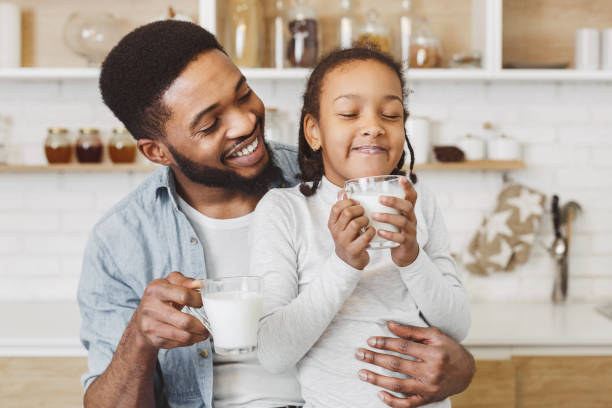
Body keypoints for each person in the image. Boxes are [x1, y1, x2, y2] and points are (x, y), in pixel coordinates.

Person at [77, 20, 475, 408]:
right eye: (211, 123)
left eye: (243, 93)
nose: (246, 122)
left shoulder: (331, 170)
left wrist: (460, 368)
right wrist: (139, 341)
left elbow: (444, 320)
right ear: (156, 152)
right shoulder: (122, 240)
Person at [249, 47, 471, 408]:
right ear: (314, 130)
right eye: (349, 113)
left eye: (391, 114)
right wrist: (343, 263)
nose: (373, 126)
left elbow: (457, 325)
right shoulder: (285, 211)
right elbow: (273, 353)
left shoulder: (419, 202)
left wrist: (411, 257)